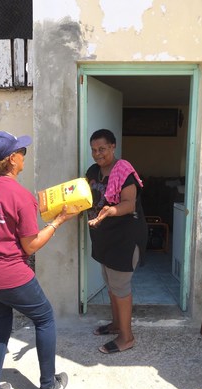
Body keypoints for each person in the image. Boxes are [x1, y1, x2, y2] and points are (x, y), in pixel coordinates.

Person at [0, 131, 78, 389]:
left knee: (0, 329)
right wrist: (59, 221)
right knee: (45, 318)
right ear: (12, 159)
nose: (24, 155)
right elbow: (31, 245)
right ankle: (48, 386)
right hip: (9, 274)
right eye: (22, 152)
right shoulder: (21, 195)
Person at [86, 129, 147, 354]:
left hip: (124, 238)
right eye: (93, 150)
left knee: (120, 287)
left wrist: (109, 212)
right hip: (103, 237)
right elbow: (86, 197)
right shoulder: (93, 171)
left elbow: (129, 204)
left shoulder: (124, 172)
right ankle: (116, 324)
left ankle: (127, 337)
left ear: (113, 147)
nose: (97, 154)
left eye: (102, 149)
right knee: (110, 284)